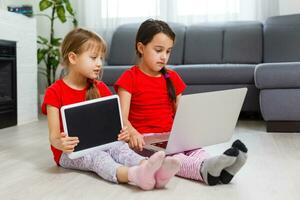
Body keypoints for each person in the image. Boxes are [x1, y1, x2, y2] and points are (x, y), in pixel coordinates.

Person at [41, 28, 181, 190]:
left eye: (101, 58)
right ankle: (134, 175)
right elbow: (53, 137)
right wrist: (61, 143)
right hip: (68, 154)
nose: (99, 63)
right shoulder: (54, 92)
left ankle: (152, 169)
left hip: (102, 143)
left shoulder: (100, 88)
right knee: (98, 157)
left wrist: (123, 132)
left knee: (121, 148)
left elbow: (116, 123)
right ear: (73, 58)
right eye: (93, 58)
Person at [115, 19, 248, 186]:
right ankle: (205, 170)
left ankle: (219, 170)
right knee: (174, 158)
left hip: (172, 137)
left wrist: (194, 130)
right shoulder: (129, 78)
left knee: (195, 149)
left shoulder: (172, 78)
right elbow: (122, 117)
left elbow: (182, 114)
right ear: (141, 48)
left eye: (168, 51)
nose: (164, 56)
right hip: (144, 143)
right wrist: (133, 132)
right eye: (158, 50)